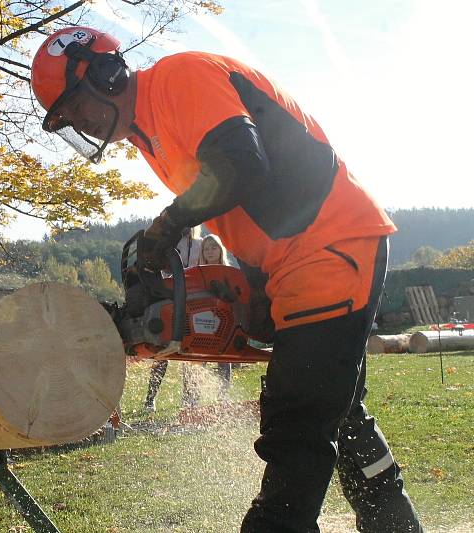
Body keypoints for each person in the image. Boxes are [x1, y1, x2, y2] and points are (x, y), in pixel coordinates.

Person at [30, 27, 422, 532]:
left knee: (296, 421)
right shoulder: (148, 135)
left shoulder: (177, 78)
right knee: (339, 411)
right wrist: (251, 286)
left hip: (329, 245)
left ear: (106, 74)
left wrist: (168, 225)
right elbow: (248, 207)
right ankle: (396, 524)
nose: (80, 122)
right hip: (288, 261)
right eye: (67, 119)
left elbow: (241, 163)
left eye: (76, 107)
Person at [143, 226, 202, 412]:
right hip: (172, 297)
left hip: (194, 299)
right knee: (163, 349)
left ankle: (190, 398)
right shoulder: (174, 243)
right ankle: (150, 398)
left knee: (191, 352)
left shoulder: (200, 244)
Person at [198, 234, 233, 399]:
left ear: (221, 250)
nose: (210, 252)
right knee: (198, 357)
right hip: (202, 319)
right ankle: (191, 398)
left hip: (224, 319)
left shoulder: (229, 272)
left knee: (224, 357)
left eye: (214, 247)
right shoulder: (197, 273)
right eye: (206, 249)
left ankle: (222, 396)